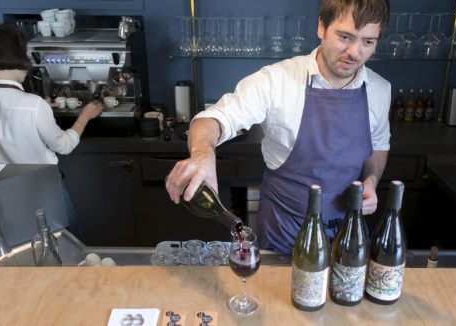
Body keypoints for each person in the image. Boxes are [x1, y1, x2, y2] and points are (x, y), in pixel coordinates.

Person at [166, 0, 391, 254]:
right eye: (345, 37)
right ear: (321, 27)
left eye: (368, 42)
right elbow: (215, 119)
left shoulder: (380, 90)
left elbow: (378, 147)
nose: (355, 52)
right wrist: (202, 153)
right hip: (284, 233)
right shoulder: (276, 80)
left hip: (347, 234)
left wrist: (371, 180)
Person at [0, 23, 103, 233]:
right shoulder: (33, 105)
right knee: (64, 238)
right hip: (43, 185)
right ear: (18, 56)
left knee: (24, 237)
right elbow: (64, 145)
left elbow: (4, 113)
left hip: (6, 183)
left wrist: (37, 109)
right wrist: (84, 117)